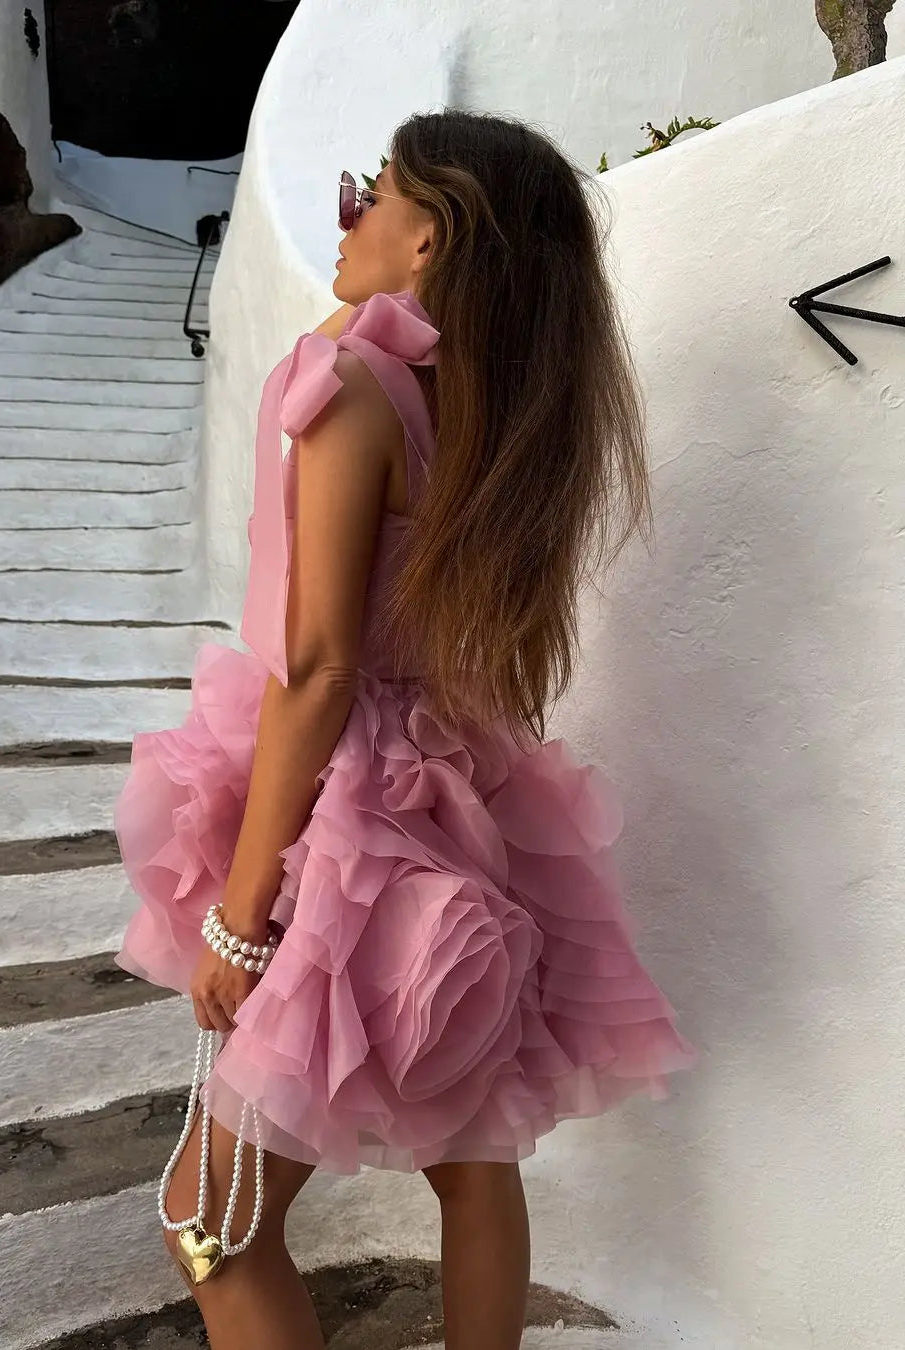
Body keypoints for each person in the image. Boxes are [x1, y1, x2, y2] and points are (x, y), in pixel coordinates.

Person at [113, 107, 697, 1350]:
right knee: (473, 1162)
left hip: (348, 822)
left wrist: (242, 919)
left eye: (367, 194)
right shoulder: (475, 408)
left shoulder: (353, 393)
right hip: (458, 800)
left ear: (426, 239)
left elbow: (321, 667)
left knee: (209, 1222)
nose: (346, 218)